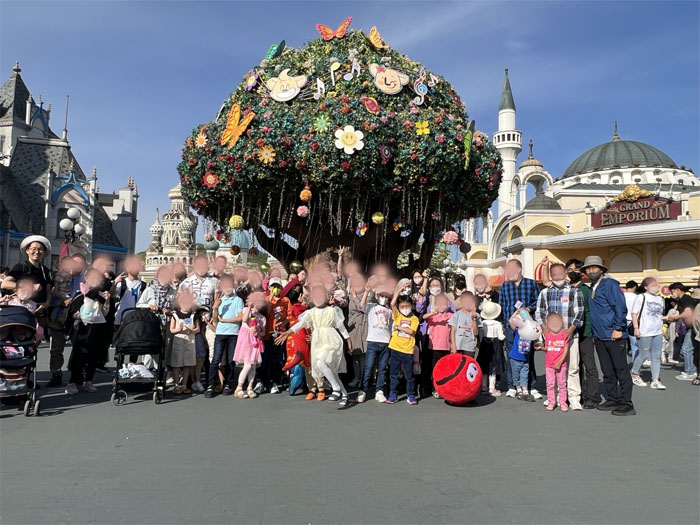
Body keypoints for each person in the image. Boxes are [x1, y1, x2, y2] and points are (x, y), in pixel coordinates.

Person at [276, 285, 351, 406]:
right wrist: (287, 332)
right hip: (318, 342)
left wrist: (347, 339)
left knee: (322, 362)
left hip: (331, 340)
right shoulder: (311, 312)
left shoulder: (332, 310)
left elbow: (340, 327)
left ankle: (336, 388)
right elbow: (300, 324)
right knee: (330, 370)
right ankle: (344, 394)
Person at [582, 256, 635, 416]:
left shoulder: (610, 284)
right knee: (607, 369)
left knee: (621, 369)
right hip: (599, 335)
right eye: (588, 268)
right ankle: (613, 398)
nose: (591, 270)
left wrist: (618, 327)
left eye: (594, 267)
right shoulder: (592, 287)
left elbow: (620, 306)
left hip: (614, 334)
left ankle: (627, 403)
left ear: (601, 269)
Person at [535, 262, 584, 409]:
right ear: (551, 276)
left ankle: (574, 397)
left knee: (572, 367)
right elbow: (539, 312)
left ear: (565, 274)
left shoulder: (575, 291)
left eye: (560, 274)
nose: (557, 277)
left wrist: (570, 329)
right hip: (552, 339)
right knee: (553, 367)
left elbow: (579, 312)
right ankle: (554, 397)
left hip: (570, 335)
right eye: (554, 274)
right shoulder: (544, 292)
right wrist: (544, 328)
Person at [64, 269, 113, 395]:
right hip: (82, 329)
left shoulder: (102, 295)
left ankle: (89, 380)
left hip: (98, 329)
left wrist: (107, 301)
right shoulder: (80, 294)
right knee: (79, 355)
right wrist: (83, 315)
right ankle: (72, 381)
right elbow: (72, 313)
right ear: (86, 278)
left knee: (94, 356)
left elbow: (105, 313)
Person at [498, 259, 541, 399]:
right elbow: (502, 306)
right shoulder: (505, 286)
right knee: (512, 356)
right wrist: (504, 325)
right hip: (511, 327)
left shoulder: (531, 283)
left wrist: (528, 308)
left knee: (528, 356)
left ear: (519, 270)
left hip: (527, 326)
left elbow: (537, 301)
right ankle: (512, 385)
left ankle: (531, 385)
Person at [564, 258, 599, 409]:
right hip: (569, 334)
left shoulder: (586, 290)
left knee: (589, 365)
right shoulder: (564, 289)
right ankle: (576, 395)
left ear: (582, 272)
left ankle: (591, 397)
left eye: (576, 269)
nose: (573, 272)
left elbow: (590, 313)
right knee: (573, 366)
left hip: (585, 333)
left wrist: (591, 332)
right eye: (570, 269)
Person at [206, 274, 244, 397]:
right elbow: (215, 320)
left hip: (233, 333)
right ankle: (211, 385)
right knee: (216, 360)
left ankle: (228, 384)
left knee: (231, 360)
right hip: (220, 333)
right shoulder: (220, 300)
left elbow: (240, 317)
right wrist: (215, 308)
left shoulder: (238, 300)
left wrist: (226, 320)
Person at [357, 282, 393, 403]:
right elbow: (361, 305)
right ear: (377, 296)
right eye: (381, 296)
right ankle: (363, 391)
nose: (384, 298)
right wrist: (366, 292)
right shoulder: (371, 306)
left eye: (386, 296)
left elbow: (391, 326)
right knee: (368, 367)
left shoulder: (389, 311)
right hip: (372, 341)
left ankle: (379, 390)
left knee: (382, 368)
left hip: (385, 342)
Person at [630, 277, 666, 390]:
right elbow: (634, 313)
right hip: (644, 331)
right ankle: (634, 373)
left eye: (657, 285)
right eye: (653, 285)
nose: (656, 287)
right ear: (646, 287)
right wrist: (636, 328)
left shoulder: (660, 299)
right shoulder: (641, 297)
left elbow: (658, 315)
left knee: (656, 356)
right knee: (643, 354)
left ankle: (655, 380)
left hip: (657, 331)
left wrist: (667, 318)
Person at [387, 288, 420, 405]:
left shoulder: (414, 319)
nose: (404, 308)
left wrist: (398, 327)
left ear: (411, 305)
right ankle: (393, 394)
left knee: (409, 375)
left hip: (408, 350)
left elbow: (411, 332)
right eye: (402, 306)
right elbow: (392, 303)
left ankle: (411, 395)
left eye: (407, 306)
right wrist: (398, 290)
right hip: (395, 348)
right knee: (394, 374)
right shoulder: (397, 316)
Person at [232, 291, 266, 399]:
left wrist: (259, 333)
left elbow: (263, 332)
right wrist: (249, 307)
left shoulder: (262, 317)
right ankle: (239, 388)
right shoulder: (246, 311)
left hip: (255, 341)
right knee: (248, 364)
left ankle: (250, 387)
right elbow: (244, 319)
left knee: (253, 366)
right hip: (245, 339)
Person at [537, 312, 569, 411]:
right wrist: (541, 348)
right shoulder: (548, 335)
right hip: (549, 364)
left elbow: (566, 349)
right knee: (550, 384)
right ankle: (551, 401)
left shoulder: (564, 334)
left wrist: (560, 362)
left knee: (562, 384)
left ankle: (563, 402)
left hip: (561, 364)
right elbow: (548, 347)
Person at [169, 290, 199, 395]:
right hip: (178, 339)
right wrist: (179, 329)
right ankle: (177, 384)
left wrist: (192, 331)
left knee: (188, 363)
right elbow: (171, 330)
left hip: (190, 340)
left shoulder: (193, 315)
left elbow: (198, 329)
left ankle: (184, 384)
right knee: (176, 363)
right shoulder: (175, 315)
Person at [423, 293, 452, 398]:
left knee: (446, 370)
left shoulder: (450, 315)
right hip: (434, 347)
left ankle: (444, 388)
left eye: (443, 304)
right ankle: (435, 388)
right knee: (435, 369)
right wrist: (433, 312)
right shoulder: (433, 316)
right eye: (439, 304)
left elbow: (453, 329)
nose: (442, 306)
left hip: (447, 346)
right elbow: (423, 317)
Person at [667, 282, 697, 381]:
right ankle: (691, 370)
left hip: (693, 327)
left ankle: (690, 372)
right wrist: (664, 317)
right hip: (689, 327)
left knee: (686, 349)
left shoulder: (686, 299)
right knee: (689, 349)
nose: (672, 293)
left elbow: (687, 313)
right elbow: (677, 313)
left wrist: (676, 317)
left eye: (672, 291)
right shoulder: (680, 301)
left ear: (678, 290)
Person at [478, 300, 505, 396]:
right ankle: (492, 388)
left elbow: (480, 336)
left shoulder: (482, 323)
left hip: (485, 344)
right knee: (494, 366)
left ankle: (483, 387)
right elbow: (501, 336)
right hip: (495, 344)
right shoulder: (497, 324)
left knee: (484, 366)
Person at [346, 273, 368, 389]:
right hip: (353, 328)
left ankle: (364, 378)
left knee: (363, 355)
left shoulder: (369, 295)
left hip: (364, 327)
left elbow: (362, 308)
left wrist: (354, 297)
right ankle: (356, 377)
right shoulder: (348, 296)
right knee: (355, 354)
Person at [508, 309, 533, 401]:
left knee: (524, 375)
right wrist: (517, 312)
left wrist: (527, 314)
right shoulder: (517, 331)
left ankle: (525, 390)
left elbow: (532, 323)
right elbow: (511, 320)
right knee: (516, 375)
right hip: (515, 358)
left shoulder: (531, 333)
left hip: (525, 359)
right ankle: (518, 389)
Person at [449, 292, 479, 357]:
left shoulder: (477, 316)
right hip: (458, 346)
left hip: (470, 347)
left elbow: (476, 333)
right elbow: (452, 331)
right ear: (461, 301)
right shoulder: (456, 315)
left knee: (468, 365)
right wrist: (453, 345)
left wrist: (474, 319)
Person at [624, 280, 640, 360]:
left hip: (621, 321)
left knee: (622, 345)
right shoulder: (637, 297)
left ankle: (622, 366)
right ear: (634, 287)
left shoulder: (621, 296)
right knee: (634, 346)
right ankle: (635, 367)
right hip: (633, 322)